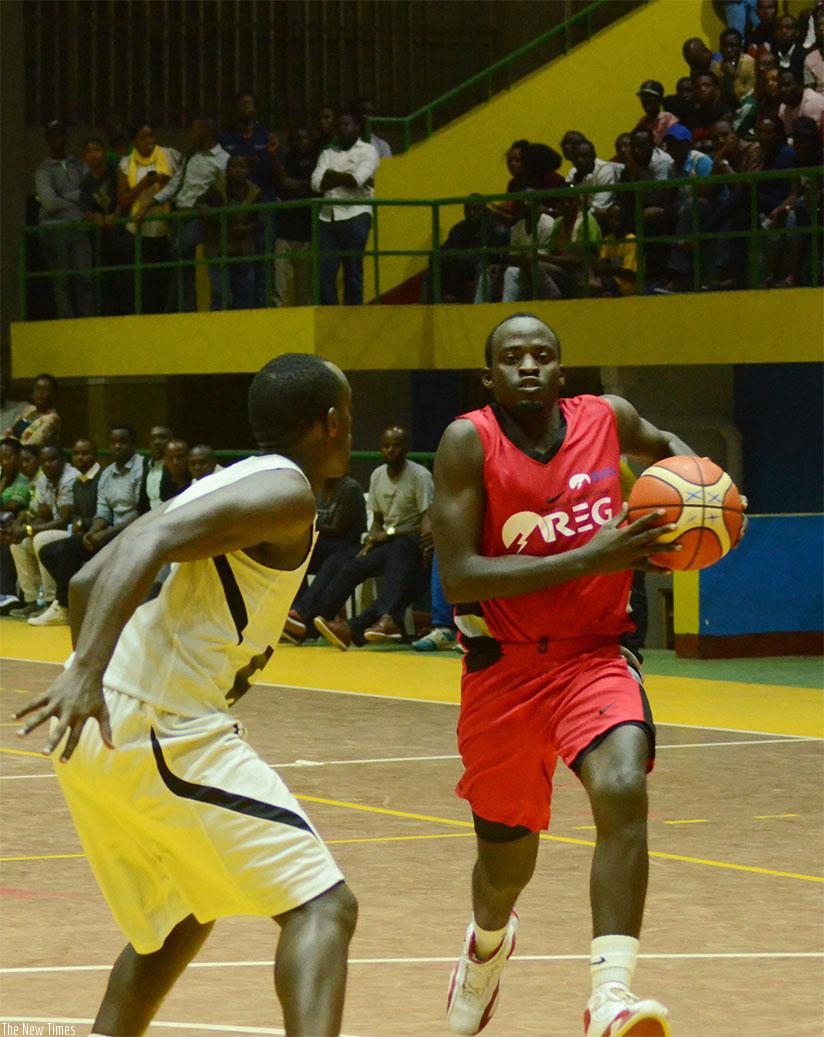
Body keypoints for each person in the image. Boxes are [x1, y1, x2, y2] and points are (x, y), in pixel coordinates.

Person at [14, 353, 358, 1037]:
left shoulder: (234, 480)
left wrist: (101, 679)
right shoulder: (287, 492)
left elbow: (85, 580)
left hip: (109, 724)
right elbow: (155, 542)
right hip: (158, 721)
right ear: (331, 422)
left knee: (176, 921)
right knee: (324, 906)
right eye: (349, 414)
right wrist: (91, 674)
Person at [431, 313, 703, 1037]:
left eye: (542, 354)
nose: (528, 365)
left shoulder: (607, 419)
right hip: (504, 669)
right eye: (512, 357)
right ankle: (487, 946)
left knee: (622, 786)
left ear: (561, 369)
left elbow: (670, 450)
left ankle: (610, 994)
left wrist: (704, 494)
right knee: (503, 871)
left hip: (594, 654)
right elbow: (459, 575)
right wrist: (591, 557)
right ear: (489, 377)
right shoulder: (468, 442)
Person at [287, 426, 433, 649]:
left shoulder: (420, 476)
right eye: (386, 446)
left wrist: (392, 534)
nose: (391, 450)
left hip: (410, 543)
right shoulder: (377, 475)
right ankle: (310, 621)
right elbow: (378, 519)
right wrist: (373, 538)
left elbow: (428, 520)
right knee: (348, 565)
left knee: (401, 551)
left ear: (406, 448)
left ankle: (384, 621)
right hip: (386, 543)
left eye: (396, 446)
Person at [148, 116, 230, 312]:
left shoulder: (223, 159)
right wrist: (153, 201)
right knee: (183, 264)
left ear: (205, 132)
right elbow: (176, 183)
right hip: (180, 214)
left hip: (202, 215)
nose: (189, 135)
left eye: (193, 130)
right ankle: (187, 308)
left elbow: (223, 191)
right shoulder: (190, 155)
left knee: (189, 252)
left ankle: (218, 307)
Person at [310, 110, 379, 305]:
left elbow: (357, 179)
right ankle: (330, 315)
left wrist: (332, 175)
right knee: (324, 274)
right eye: (339, 125)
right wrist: (346, 177)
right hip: (327, 217)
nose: (342, 128)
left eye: (346, 124)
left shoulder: (368, 151)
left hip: (356, 214)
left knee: (353, 272)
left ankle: (353, 316)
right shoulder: (327, 153)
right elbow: (315, 184)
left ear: (357, 128)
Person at [8, 444, 78, 625]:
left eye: (52, 459)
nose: (48, 464)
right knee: (19, 543)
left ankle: (50, 601)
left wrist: (29, 530)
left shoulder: (70, 477)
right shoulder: (44, 480)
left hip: (73, 531)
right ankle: (31, 601)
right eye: (44, 461)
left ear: (63, 460)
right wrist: (24, 531)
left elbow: (63, 519)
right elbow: (43, 515)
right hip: (55, 529)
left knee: (41, 539)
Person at [117, 120, 182, 314]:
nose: (149, 141)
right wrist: (143, 185)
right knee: (139, 280)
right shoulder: (126, 163)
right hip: (137, 230)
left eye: (151, 136)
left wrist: (165, 181)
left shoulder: (169, 155)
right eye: (143, 138)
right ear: (134, 142)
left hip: (164, 229)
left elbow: (181, 184)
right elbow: (123, 199)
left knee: (162, 279)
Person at [34, 119, 94, 319]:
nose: (57, 139)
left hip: (78, 227)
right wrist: (75, 197)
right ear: (47, 139)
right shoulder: (43, 170)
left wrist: (62, 196)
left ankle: (87, 320)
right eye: (53, 135)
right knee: (62, 281)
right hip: (53, 229)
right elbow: (49, 204)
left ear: (66, 136)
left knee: (84, 277)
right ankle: (66, 321)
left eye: (60, 134)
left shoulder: (79, 165)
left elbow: (88, 193)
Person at [198, 154, 262, 310]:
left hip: (244, 249)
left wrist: (245, 229)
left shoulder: (255, 192)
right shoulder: (216, 189)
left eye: (242, 167)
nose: (238, 170)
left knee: (245, 296)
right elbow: (200, 204)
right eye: (234, 167)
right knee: (220, 295)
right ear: (227, 170)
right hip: (218, 248)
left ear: (248, 171)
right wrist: (220, 220)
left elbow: (259, 220)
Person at [4, 373, 61, 446]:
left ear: (53, 394)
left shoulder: (53, 419)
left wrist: (10, 441)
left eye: (46, 389)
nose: (40, 393)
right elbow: (9, 431)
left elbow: (33, 443)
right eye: (38, 388)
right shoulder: (29, 409)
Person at [138, 425, 174, 513]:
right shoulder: (146, 465)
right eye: (152, 439)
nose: (156, 442)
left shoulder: (176, 465)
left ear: (171, 441)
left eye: (162, 438)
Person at [633, 80, 679, 145]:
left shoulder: (669, 120)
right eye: (644, 100)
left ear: (660, 101)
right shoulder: (642, 123)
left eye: (650, 100)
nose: (647, 104)